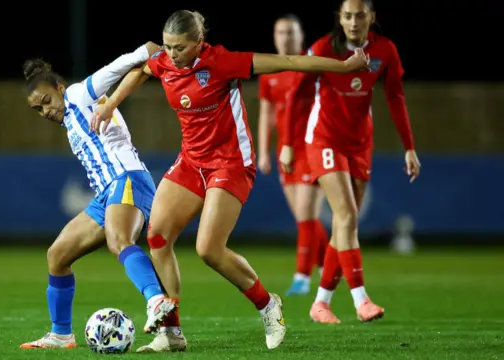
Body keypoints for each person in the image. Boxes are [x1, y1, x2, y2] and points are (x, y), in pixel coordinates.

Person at [92, 10, 370, 352]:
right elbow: (141, 70)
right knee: (158, 237)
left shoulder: (222, 62)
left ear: (198, 43)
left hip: (231, 162)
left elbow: (289, 60)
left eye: (179, 47)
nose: (171, 54)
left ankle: (268, 306)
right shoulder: (164, 61)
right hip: (191, 161)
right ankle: (172, 333)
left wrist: (343, 67)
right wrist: (110, 105)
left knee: (208, 249)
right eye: (167, 46)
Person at [18, 42, 179, 349]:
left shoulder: (80, 94)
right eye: (37, 109)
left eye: (46, 101)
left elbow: (126, 61)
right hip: (107, 193)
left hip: (128, 178)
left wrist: (156, 52)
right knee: (57, 256)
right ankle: (61, 334)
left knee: (118, 241)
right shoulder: (69, 122)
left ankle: (156, 301)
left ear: (60, 88)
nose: (44, 111)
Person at [280, 0, 421, 324]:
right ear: (339, 20)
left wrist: (409, 148)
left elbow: (395, 96)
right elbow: (297, 94)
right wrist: (287, 143)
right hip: (324, 138)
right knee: (346, 215)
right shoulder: (323, 48)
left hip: (360, 142)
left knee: (345, 225)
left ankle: (320, 304)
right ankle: (361, 300)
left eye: (360, 15)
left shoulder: (385, 50)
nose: (354, 21)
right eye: (347, 16)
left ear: (371, 17)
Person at [257, 14, 330, 297]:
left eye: (290, 32)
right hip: (284, 152)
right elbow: (267, 114)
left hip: (313, 147)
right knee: (304, 217)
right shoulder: (270, 71)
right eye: (280, 32)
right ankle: (328, 268)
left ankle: (302, 277)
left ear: (301, 36)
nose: (285, 37)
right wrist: (263, 151)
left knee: (306, 217)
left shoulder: (311, 66)